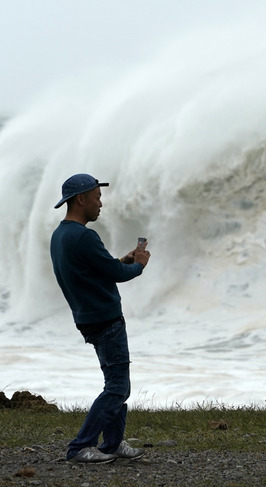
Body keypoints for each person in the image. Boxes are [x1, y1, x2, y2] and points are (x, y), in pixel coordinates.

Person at [49, 173, 151, 464]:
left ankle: (113, 444)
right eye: (97, 198)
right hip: (105, 319)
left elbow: (96, 269)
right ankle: (81, 446)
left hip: (87, 318)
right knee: (118, 387)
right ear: (81, 199)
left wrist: (122, 260)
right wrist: (139, 265)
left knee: (115, 383)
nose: (100, 204)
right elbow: (117, 276)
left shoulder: (62, 235)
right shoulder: (84, 235)